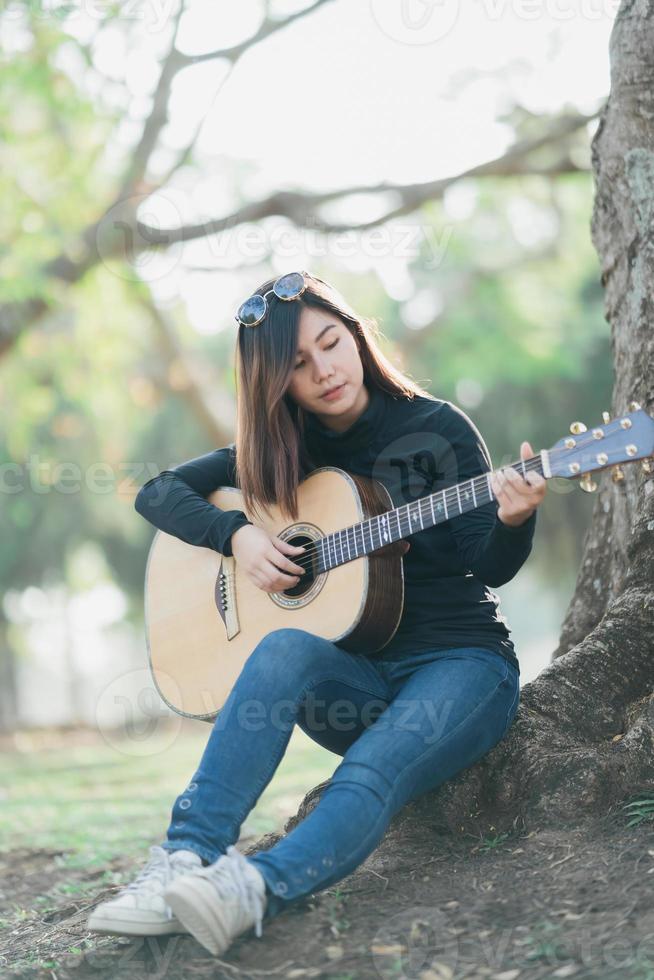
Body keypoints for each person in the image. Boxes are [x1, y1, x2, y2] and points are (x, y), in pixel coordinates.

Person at [88, 270, 546, 956]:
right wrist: (238, 536)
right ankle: (183, 860)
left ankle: (247, 890)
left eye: (332, 343)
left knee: (369, 774)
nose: (325, 370)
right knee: (282, 649)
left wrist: (513, 518)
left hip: (461, 668)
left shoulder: (436, 427)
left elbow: (490, 564)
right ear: (275, 383)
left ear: (357, 337)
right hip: (356, 683)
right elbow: (159, 493)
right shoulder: (282, 453)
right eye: (298, 364)